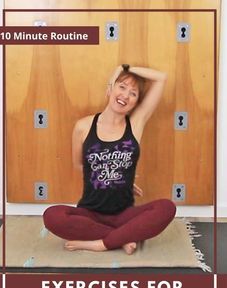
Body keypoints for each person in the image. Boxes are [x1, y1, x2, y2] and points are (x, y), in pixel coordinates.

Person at [43, 64, 176, 255]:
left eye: (133, 93)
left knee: (166, 207)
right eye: (121, 87)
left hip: (124, 214)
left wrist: (125, 67)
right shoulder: (83, 126)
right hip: (89, 213)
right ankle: (121, 239)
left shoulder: (136, 125)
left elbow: (161, 77)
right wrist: (109, 177)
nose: (125, 95)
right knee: (52, 216)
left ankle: (101, 243)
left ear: (136, 102)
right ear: (110, 89)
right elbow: (79, 164)